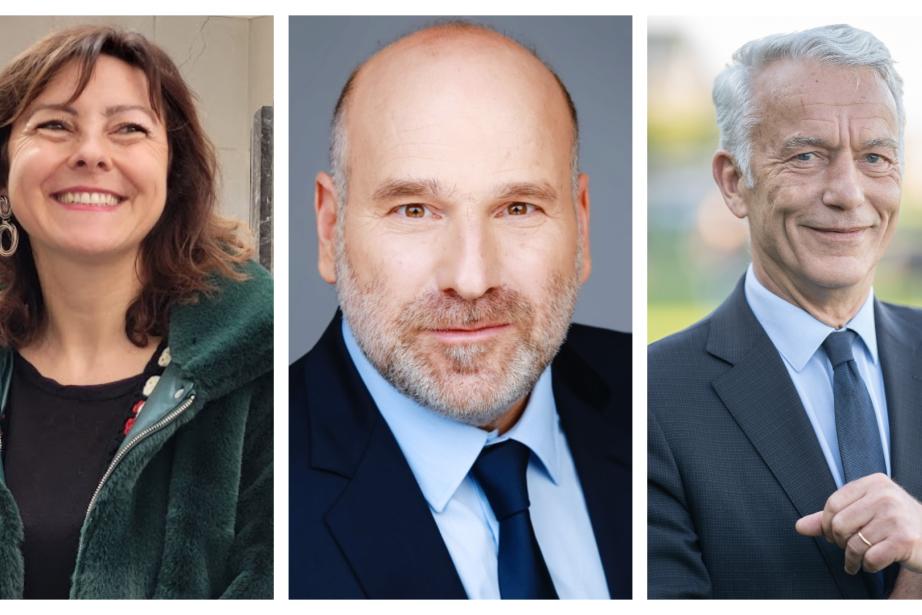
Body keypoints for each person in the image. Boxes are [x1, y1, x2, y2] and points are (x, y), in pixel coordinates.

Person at [289, 21, 631, 599]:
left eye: (518, 208)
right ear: (330, 230)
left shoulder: (650, 394)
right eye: (415, 211)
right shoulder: (259, 475)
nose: (471, 281)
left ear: (582, 223)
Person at [648, 23, 922, 599]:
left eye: (875, 156)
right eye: (806, 156)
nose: (848, 191)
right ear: (733, 182)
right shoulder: (648, 401)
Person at [0, 26, 272, 599]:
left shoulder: (267, 362)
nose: (91, 153)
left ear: (173, 175)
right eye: (54, 124)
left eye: (129, 128)